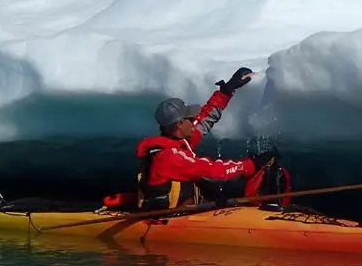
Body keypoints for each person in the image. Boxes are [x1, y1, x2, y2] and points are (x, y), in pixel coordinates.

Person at [102, 66, 291, 212]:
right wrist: (251, 164)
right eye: (190, 119)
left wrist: (227, 90)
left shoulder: (178, 141)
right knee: (232, 178)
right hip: (169, 215)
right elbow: (214, 171)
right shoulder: (171, 157)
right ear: (179, 124)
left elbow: (206, 119)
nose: (194, 121)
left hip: (184, 206)